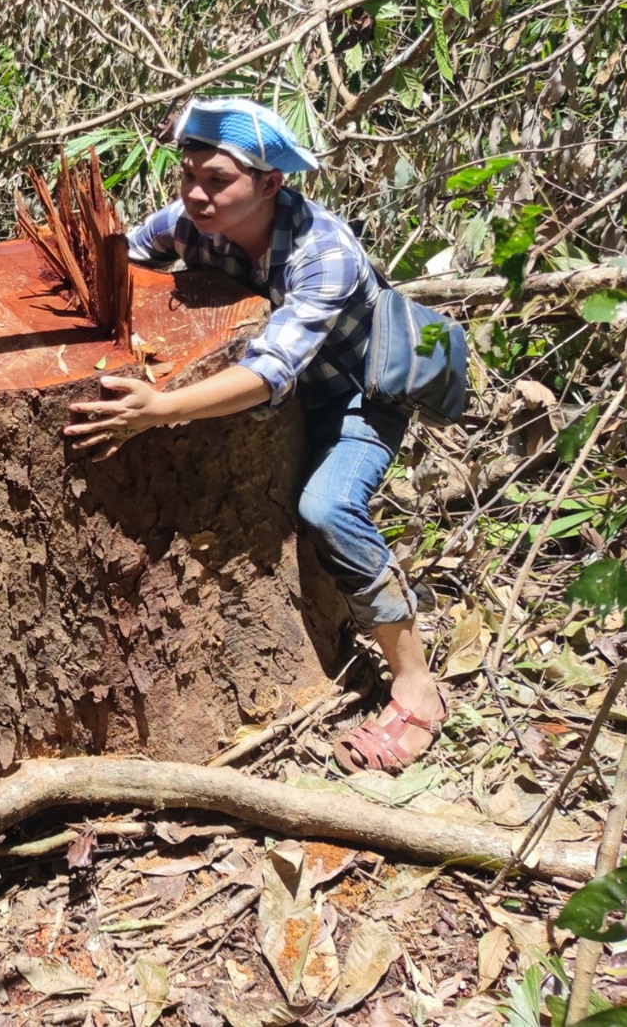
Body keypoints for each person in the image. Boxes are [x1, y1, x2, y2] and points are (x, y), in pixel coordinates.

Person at [61, 97, 444, 774]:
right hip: (283, 395)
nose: (196, 195)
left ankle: (415, 682)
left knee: (327, 510)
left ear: (270, 184)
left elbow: (269, 373)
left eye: (217, 181)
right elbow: (122, 257)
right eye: (187, 176)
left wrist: (158, 406)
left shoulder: (325, 255)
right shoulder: (189, 224)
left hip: (352, 395)